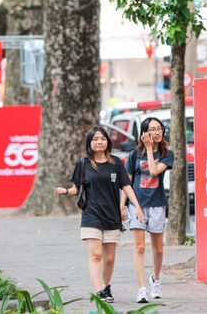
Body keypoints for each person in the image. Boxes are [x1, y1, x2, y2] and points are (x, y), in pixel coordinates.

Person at [54, 126, 146, 304]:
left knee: (109, 259)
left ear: (107, 142)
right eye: (95, 139)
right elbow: (76, 189)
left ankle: (106, 286)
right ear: (90, 142)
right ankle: (99, 292)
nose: (99, 142)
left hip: (111, 216)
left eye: (102, 139)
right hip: (91, 215)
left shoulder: (115, 163)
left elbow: (126, 186)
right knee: (96, 255)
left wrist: (137, 207)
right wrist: (65, 191)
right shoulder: (84, 164)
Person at [123, 117, 174, 303]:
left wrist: (151, 149)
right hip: (137, 204)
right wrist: (122, 205)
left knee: (158, 249)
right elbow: (126, 182)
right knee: (139, 247)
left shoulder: (167, 154)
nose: (157, 132)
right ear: (144, 133)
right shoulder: (134, 154)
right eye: (152, 129)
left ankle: (156, 279)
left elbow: (153, 171)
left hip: (157, 203)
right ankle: (142, 288)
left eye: (159, 128)